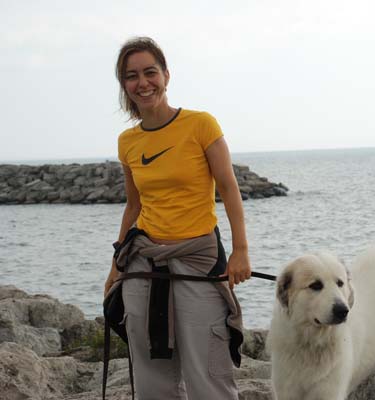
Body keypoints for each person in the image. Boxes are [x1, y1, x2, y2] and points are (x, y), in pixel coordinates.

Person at [103, 36, 251, 399]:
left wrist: (240, 251)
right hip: (143, 263)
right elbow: (134, 206)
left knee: (208, 374)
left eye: (150, 72)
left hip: (198, 259)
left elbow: (229, 190)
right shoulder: (128, 142)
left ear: (166, 75)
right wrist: (115, 267)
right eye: (132, 76)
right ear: (124, 85)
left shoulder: (200, 125)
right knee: (151, 375)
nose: (143, 83)